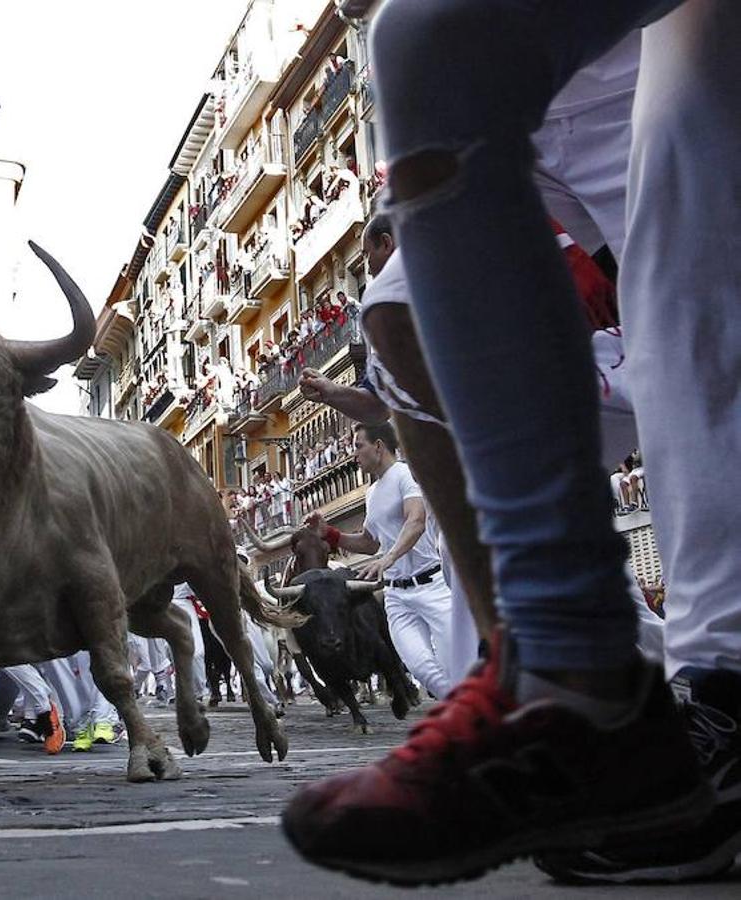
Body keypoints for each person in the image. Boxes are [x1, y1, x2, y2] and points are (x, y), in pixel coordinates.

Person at [284, 0, 737, 886]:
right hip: (552, 76)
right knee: (401, 316)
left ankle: (682, 688)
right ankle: (552, 689)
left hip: (637, 53)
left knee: (685, 200)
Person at [337, 422, 459, 700]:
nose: (353, 455)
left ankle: (467, 712)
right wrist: (330, 535)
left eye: (358, 446)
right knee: (421, 668)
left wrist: (387, 559)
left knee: (457, 665)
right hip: (397, 595)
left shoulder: (406, 475)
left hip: (432, 584)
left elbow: (416, 521)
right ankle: (462, 708)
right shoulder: (371, 492)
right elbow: (369, 543)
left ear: (378, 446)